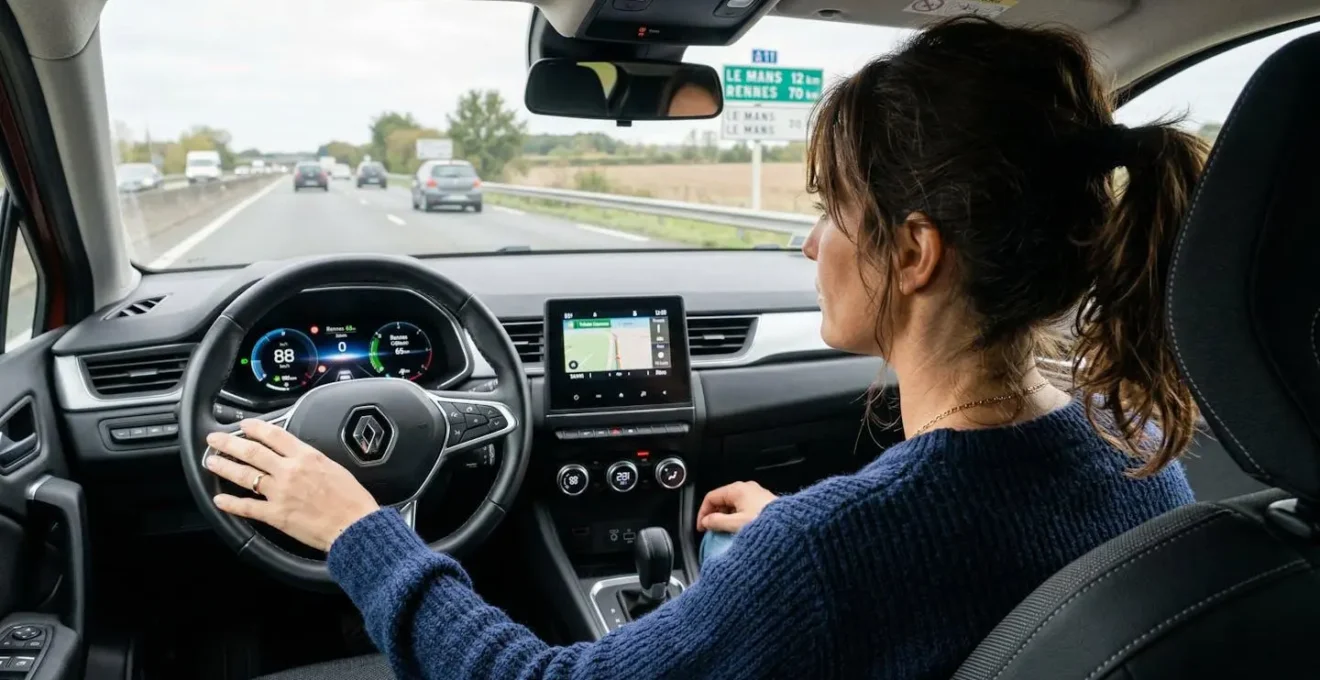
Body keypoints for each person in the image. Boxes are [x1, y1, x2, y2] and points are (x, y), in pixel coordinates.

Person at [202, 16, 1206, 679]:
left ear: (911, 251)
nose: (812, 243)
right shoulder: (1137, 445)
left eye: (832, 210)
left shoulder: (827, 551)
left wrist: (358, 529)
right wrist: (784, 532)